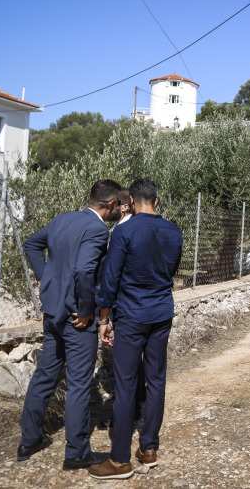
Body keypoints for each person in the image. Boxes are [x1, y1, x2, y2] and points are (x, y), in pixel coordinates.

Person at [17, 179, 123, 470]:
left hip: (52, 313)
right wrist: (88, 310)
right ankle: (76, 453)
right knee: (78, 384)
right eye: (117, 206)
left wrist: (48, 279)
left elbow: (31, 244)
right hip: (78, 318)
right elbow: (84, 270)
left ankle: (29, 441)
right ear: (111, 204)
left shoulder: (62, 219)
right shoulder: (97, 230)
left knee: (45, 375)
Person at [89, 178, 183, 480]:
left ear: (131, 200)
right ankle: (149, 448)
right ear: (156, 202)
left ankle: (119, 460)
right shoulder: (174, 231)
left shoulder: (124, 231)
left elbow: (110, 279)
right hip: (160, 314)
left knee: (126, 384)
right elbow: (172, 270)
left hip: (131, 316)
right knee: (156, 380)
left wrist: (104, 319)